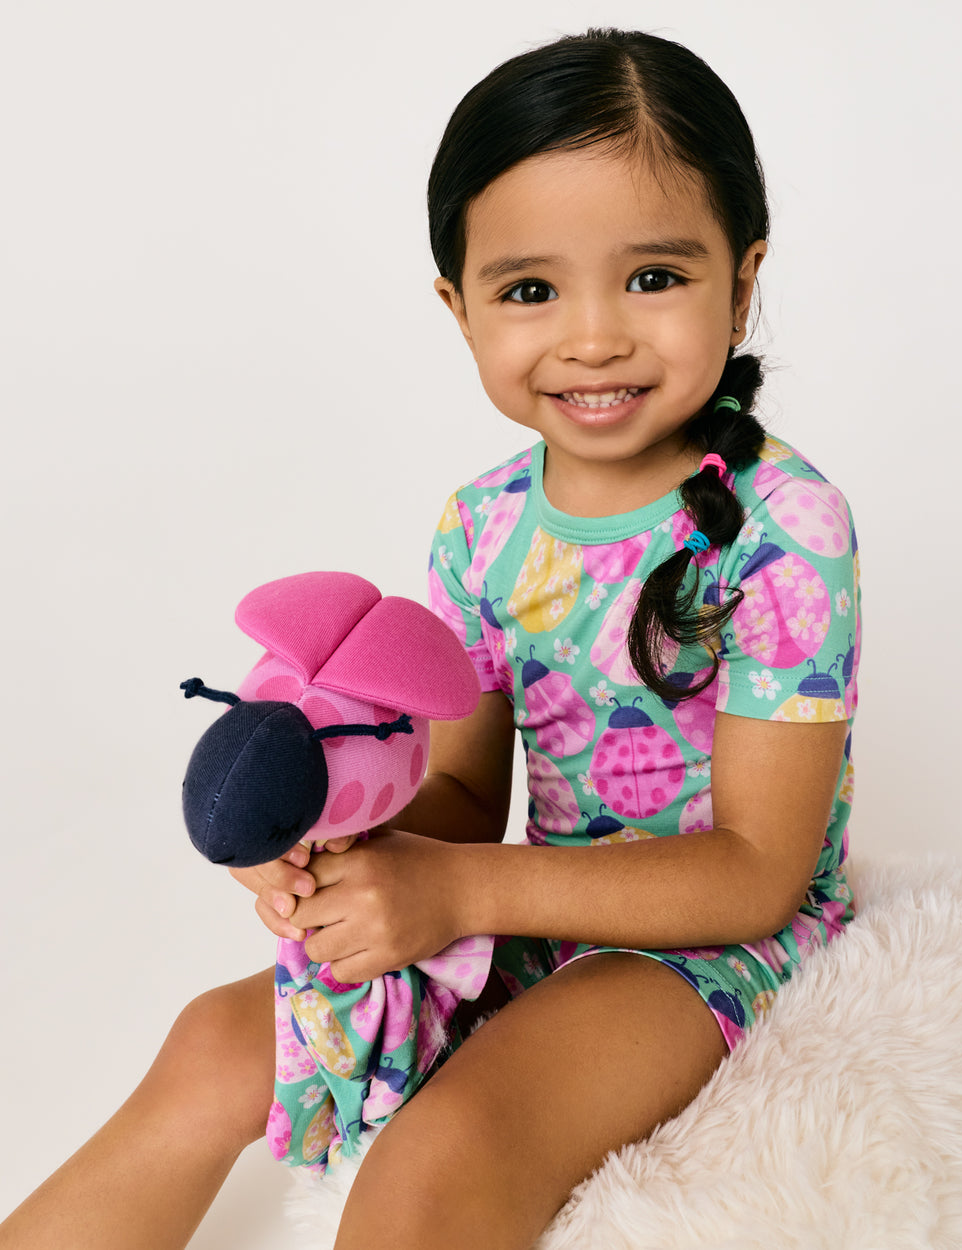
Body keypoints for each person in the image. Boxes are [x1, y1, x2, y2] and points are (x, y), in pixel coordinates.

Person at [0, 27, 860, 1250]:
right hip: (536, 913)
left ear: (742, 277)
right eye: (530, 290)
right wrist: (334, 846)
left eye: (653, 277)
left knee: (444, 1151)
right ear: (458, 307)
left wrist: (458, 889)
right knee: (211, 1041)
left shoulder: (785, 523)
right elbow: (458, 796)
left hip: (720, 946)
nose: (594, 335)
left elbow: (757, 869)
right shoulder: (481, 526)